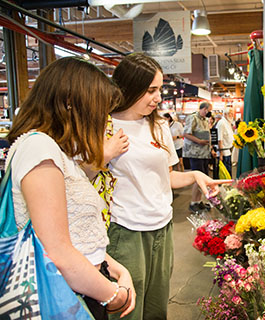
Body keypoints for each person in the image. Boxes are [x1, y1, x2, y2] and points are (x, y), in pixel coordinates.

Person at [6, 57, 135, 319]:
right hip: (65, 294)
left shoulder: (55, 151)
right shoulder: (39, 149)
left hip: (83, 286)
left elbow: (76, 235)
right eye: (100, 110)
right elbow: (58, 252)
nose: (103, 119)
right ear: (70, 104)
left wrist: (116, 269)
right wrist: (114, 295)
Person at [106, 52, 229, 320]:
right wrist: (104, 152)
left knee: (156, 307)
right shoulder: (105, 126)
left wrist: (197, 177)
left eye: (159, 89)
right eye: (151, 90)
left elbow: (168, 177)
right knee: (127, 309)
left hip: (162, 225)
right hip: (126, 230)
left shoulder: (159, 125)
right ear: (129, 87)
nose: (158, 97)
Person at [183, 102, 213, 213]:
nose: (209, 113)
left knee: (203, 178)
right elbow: (186, 134)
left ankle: (198, 201)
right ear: (204, 109)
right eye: (209, 110)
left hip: (204, 153)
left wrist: (211, 149)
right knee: (198, 178)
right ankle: (193, 203)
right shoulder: (193, 117)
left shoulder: (205, 120)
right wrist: (199, 141)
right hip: (195, 153)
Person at [216, 107, 235, 176]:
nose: (232, 115)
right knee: (224, 174)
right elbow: (219, 139)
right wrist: (221, 154)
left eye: (232, 114)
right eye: (230, 113)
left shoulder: (228, 122)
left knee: (228, 173)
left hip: (228, 151)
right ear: (225, 114)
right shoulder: (221, 123)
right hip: (223, 152)